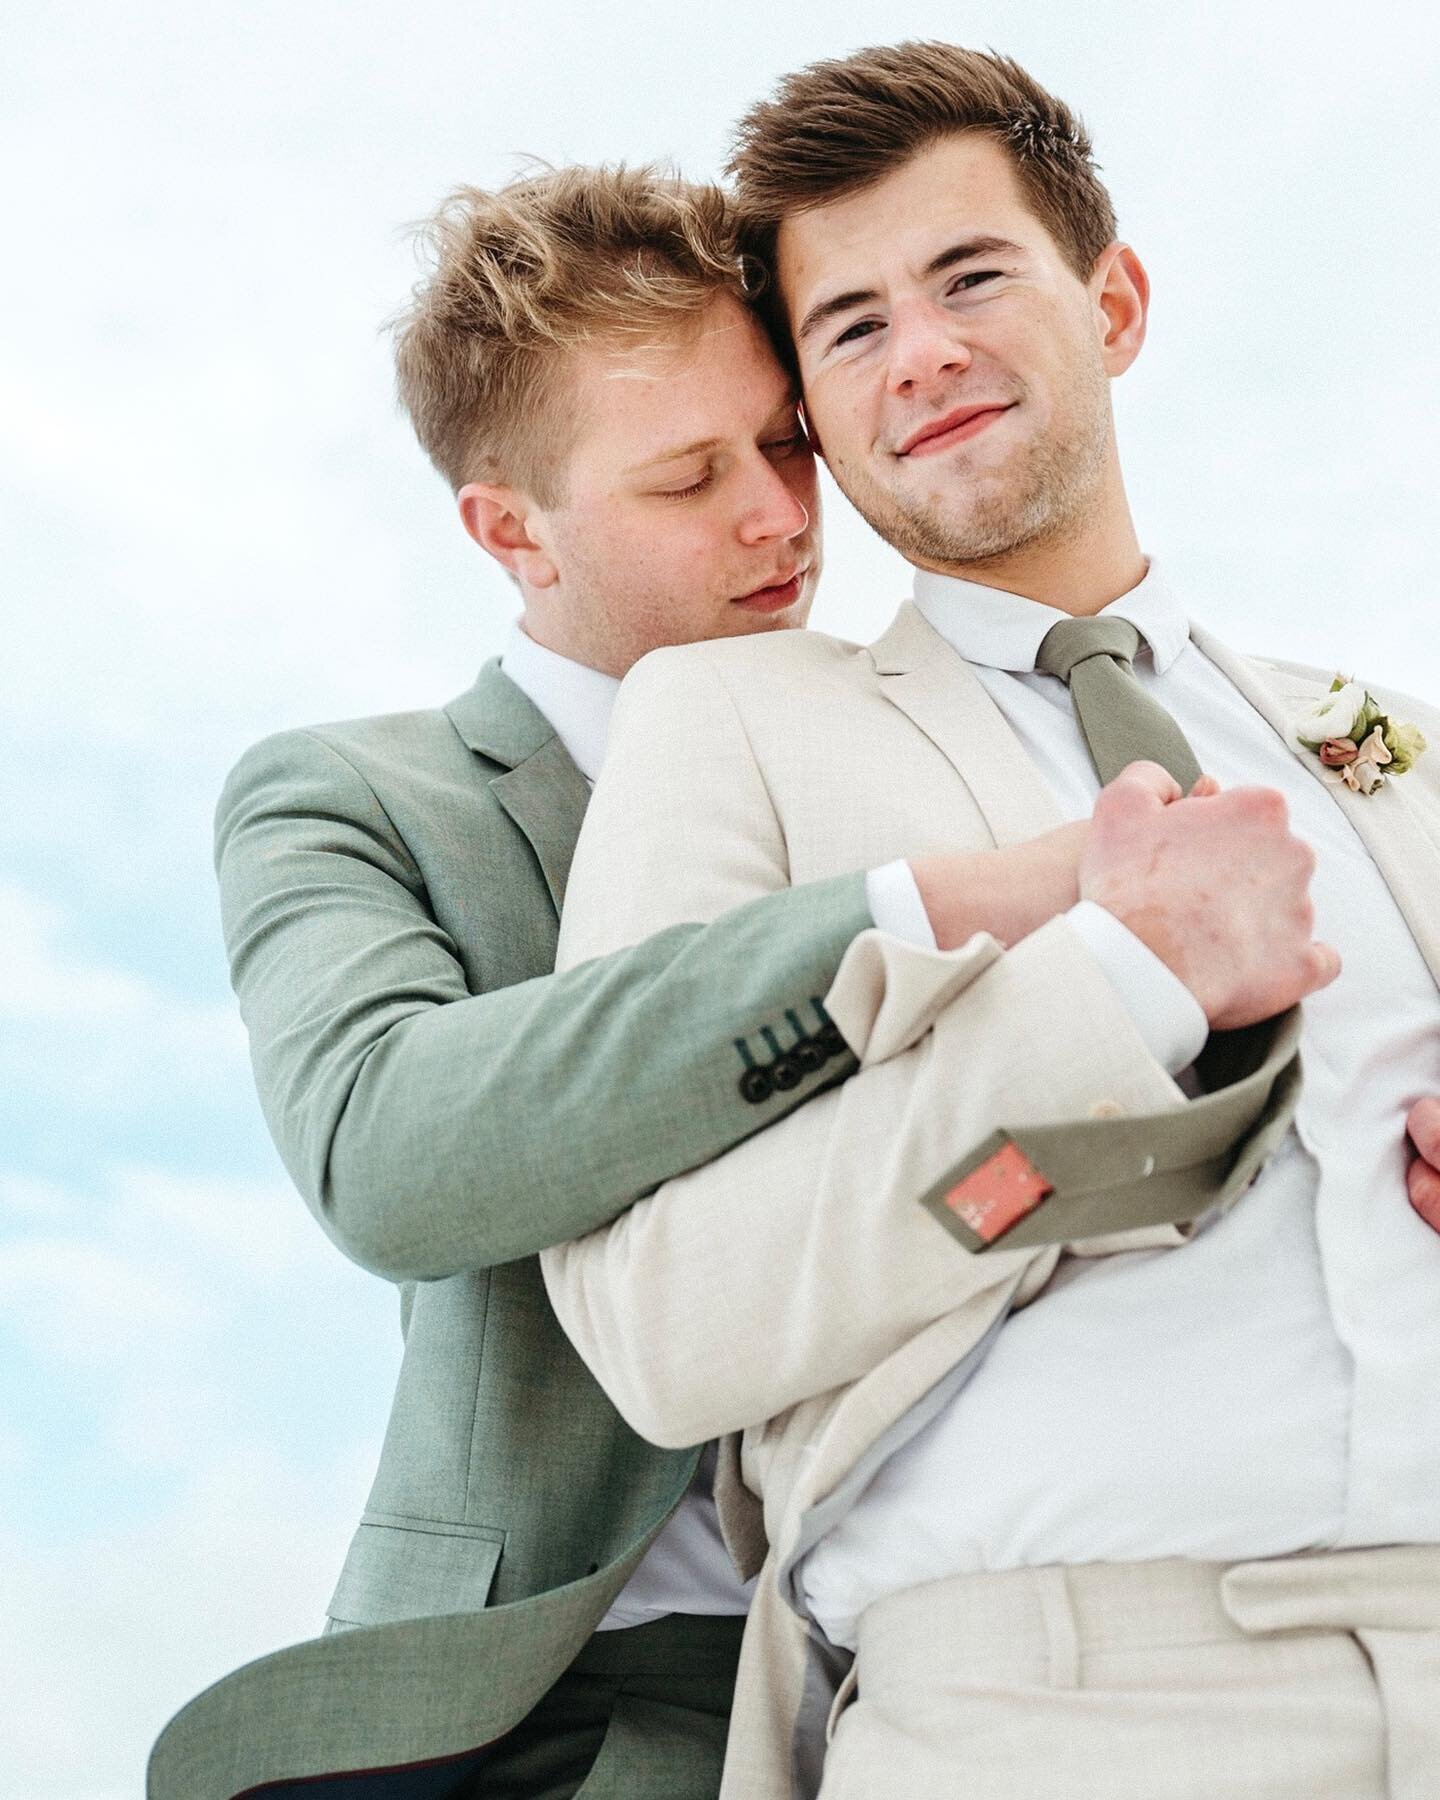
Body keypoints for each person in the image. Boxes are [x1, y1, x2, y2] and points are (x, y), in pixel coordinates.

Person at [146, 162, 1310, 1800]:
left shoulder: (955, 727)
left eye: (783, 443)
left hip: (988, 1644)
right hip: (564, 1696)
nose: (778, 517)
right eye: (690, 478)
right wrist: (914, 908)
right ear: (508, 530)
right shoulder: (354, 796)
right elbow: (389, 1155)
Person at [541, 43, 1440, 1800]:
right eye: (852, 326)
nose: (924, 352)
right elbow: (663, 1326)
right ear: (813, 407)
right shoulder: (731, 723)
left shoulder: (1390, 741)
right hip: (1054, 1710)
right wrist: (1114, 992)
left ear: (1114, 301)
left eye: (970, 278)